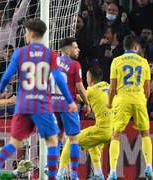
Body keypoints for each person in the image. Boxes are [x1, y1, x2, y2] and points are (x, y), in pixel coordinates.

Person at [0, 19, 78, 180]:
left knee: (14, 142)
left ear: (32, 33)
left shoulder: (20, 53)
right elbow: (58, 79)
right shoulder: (51, 55)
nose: (25, 35)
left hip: (23, 105)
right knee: (52, 141)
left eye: (26, 32)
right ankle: (51, 177)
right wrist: (70, 100)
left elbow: (7, 75)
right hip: (42, 105)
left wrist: (1, 90)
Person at [106, 35, 153, 180]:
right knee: (145, 133)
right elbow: (147, 88)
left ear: (124, 47)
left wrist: (109, 102)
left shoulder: (116, 61)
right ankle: (149, 168)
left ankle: (113, 171)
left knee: (116, 135)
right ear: (136, 47)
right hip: (139, 99)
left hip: (122, 100)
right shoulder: (144, 62)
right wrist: (143, 100)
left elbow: (112, 87)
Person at [57, 67, 114, 180]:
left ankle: (59, 175)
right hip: (113, 131)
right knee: (93, 146)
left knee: (70, 141)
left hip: (102, 130)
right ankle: (98, 175)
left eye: (87, 77)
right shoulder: (108, 86)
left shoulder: (91, 91)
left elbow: (74, 98)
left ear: (90, 79)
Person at [50, 37, 91, 180]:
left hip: (52, 105)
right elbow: (80, 87)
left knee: (57, 137)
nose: (78, 50)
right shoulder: (75, 64)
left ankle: (52, 171)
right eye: (76, 47)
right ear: (68, 50)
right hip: (68, 106)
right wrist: (86, 103)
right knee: (74, 139)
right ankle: (74, 174)